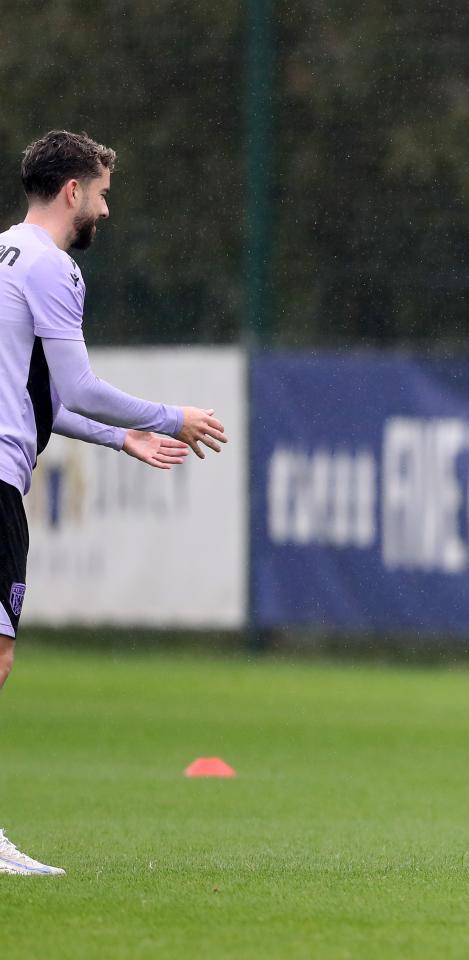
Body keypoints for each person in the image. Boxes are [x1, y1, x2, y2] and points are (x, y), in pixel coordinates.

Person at [0, 130, 228, 876]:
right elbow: (82, 386)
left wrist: (117, 442)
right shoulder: (52, 267)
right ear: (72, 192)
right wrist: (169, 418)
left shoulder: (4, 254)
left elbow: (38, 400)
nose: (106, 207)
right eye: (100, 192)